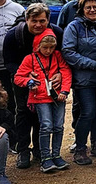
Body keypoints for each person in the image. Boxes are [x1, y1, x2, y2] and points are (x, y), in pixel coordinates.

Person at [3, 3, 63, 169]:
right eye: (34, 21)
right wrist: (25, 74)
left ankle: (39, 149)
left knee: (42, 115)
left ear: (48, 20)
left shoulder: (56, 33)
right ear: (27, 19)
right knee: (22, 112)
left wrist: (60, 74)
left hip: (47, 82)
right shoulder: (14, 35)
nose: (38, 25)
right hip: (22, 80)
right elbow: (9, 61)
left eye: (42, 21)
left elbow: (63, 57)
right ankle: (23, 149)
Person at [62, 0, 96, 165]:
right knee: (88, 112)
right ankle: (80, 148)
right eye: (88, 7)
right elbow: (69, 52)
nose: (92, 10)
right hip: (83, 77)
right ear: (82, 10)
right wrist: (93, 64)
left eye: (95, 7)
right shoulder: (74, 27)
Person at [14, 29, 72, 173]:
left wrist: (65, 90)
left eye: (51, 47)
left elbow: (66, 72)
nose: (48, 51)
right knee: (46, 126)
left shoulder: (57, 56)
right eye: (45, 47)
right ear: (38, 46)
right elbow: (18, 77)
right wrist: (28, 82)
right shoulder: (30, 59)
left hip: (58, 96)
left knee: (58, 126)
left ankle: (56, 155)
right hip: (40, 98)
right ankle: (45, 157)